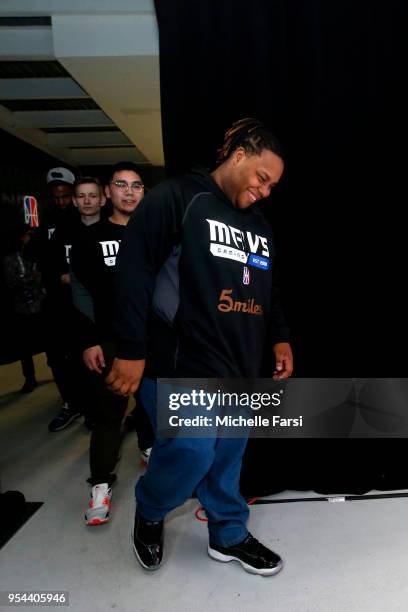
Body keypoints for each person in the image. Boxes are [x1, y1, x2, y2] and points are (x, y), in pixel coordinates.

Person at [107, 118, 294, 576]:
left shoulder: (258, 224)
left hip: (238, 364)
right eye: (261, 178)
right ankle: (151, 508)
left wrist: (280, 336)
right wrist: (130, 348)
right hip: (178, 360)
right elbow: (133, 272)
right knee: (192, 450)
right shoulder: (177, 198)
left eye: (272, 186)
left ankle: (227, 533)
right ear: (238, 157)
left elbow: (268, 290)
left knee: (228, 455)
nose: (265, 191)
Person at [69, 163, 154, 526]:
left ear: (144, 193)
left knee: (156, 404)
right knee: (108, 415)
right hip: (111, 340)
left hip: (154, 339)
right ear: (108, 193)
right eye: (121, 184)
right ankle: (100, 483)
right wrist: (89, 340)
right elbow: (79, 292)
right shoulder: (90, 239)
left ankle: (151, 450)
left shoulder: (158, 235)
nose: (129, 191)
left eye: (136, 185)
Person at [3, 224, 46, 393]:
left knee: (51, 343)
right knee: (25, 347)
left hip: (43, 305)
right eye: (28, 235)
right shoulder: (10, 259)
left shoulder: (40, 255)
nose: (30, 238)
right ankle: (30, 378)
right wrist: (31, 277)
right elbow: (11, 282)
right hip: (22, 308)